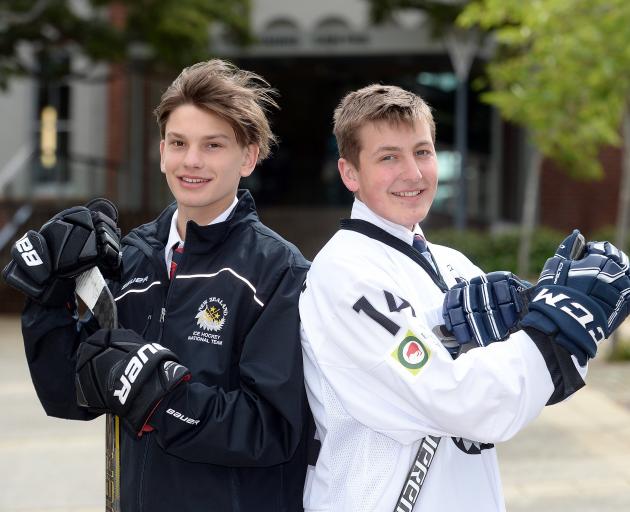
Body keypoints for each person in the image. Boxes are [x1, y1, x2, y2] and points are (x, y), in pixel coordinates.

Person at [298, 84, 630, 512]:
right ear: (350, 174)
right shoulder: (346, 275)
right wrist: (558, 326)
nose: (413, 173)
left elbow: (519, 397)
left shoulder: (453, 264)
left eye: (422, 152)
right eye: (388, 157)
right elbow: (466, 403)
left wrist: (560, 323)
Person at [3, 59, 311, 511]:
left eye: (213, 145)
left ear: (248, 156)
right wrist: (50, 299)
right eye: (179, 143)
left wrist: (162, 398)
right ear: (162, 150)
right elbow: (71, 396)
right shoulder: (131, 258)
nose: (192, 161)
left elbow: (273, 430)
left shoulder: (279, 271)